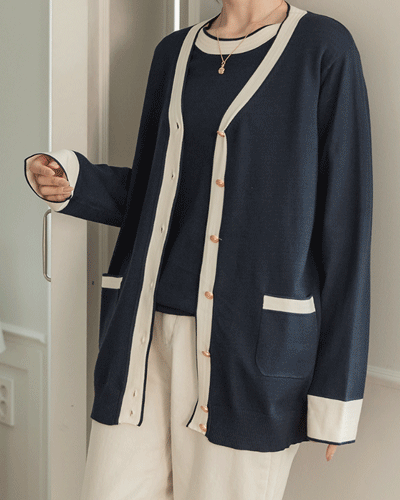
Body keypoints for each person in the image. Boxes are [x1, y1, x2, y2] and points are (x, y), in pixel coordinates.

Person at [24, 1, 373, 498]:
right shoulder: (174, 52)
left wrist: (337, 391)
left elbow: (346, 224)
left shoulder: (323, 48)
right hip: (144, 336)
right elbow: (156, 191)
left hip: (248, 353)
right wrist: (75, 182)